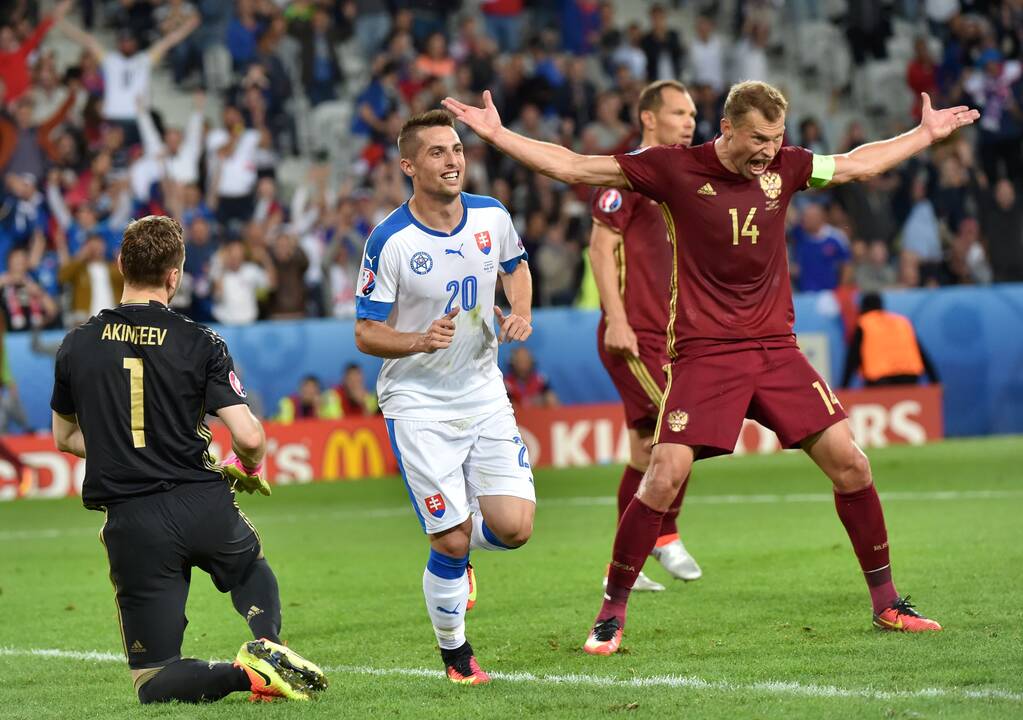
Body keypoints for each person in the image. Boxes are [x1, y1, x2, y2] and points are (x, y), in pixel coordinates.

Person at [444, 81, 979, 653]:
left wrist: (923, 135)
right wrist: (498, 136)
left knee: (852, 465)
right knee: (663, 472)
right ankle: (611, 612)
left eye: (776, 139)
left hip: (777, 350)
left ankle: (887, 603)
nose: (769, 151)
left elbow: (854, 165)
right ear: (727, 130)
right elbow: (576, 166)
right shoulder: (674, 170)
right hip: (706, 355)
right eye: (758, 139)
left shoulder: (788, 168)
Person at [49, 215, 326, 703]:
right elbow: (249, 435)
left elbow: (66, 438)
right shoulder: (201, 342)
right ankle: (271, 646)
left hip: (134, 520)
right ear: (174, 276)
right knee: (247, 567)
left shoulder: (75, 345)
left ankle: (249, 676)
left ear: (121, 266)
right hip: (203, 502)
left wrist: (123, 443)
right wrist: (249, 466)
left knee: (153, 679)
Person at [355, 110, 534, 685]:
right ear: (408, 165)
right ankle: (457, 658)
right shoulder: (389, 240)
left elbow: (517, 266)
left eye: (457, 149)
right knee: (450, 539)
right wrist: (417, 340)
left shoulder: (492, 215)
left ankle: (463, 558)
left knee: (515, 527)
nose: (453, 159)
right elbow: (365, 331)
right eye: (437, 152)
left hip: (483, 393)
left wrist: (521, 311)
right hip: (419, 405)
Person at [588, 79, 701, 592]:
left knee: (643, 454)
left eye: (693, 113)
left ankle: (623, 569)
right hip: (634, 336)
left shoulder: (684, 178)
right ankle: (664, 535)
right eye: (679, 112)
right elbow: (599, 250)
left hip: (672, 338)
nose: (689, 121)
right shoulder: (626, 176)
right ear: (648, 118)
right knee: (687, 428)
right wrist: (616, 320)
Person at [841, 292, 940, 388]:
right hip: (909, 377)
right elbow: (921, 353)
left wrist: (843, 387)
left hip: (880, 379)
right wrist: (935, 381)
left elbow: (852, 358)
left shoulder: (864, 323)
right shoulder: (902, 322)